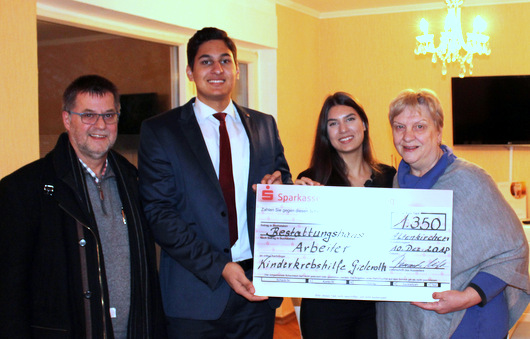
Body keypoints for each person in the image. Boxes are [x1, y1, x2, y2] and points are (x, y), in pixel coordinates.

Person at [138, 27, 292, 338]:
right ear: (190, 72)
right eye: (206, 62)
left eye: (225, 60)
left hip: (257, 290)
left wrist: (281, 187)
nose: (217, 69)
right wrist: (219, 265)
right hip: (194, 296)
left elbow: (282, 179)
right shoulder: (162, 131)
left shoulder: (263, 125)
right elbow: (159, 214)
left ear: (236, 68)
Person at [0, 75, 167, 338]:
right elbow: (9, 290)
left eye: (109, 115)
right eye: (88, 115)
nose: (100, 125)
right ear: (67, 119)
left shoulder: (134, 181)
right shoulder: (25, 189)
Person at [377, 89, 530, 338]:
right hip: (409, 319)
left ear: (438, 131)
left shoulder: (471, 179)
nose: (407, 136)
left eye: (419, 126)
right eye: (399, 127)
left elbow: (514, 250)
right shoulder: (397, 182)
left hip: (467, 319)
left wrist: (465, 298)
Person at [295, 92, 396, 338]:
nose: (343, 129)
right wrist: (296, 204)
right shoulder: (311, 179)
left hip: (377, 305)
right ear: (325, 133)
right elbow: (300, 246)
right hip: (326, 307)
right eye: (333, 123)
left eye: (350, 119)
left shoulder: (389, 177)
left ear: (364, 124)